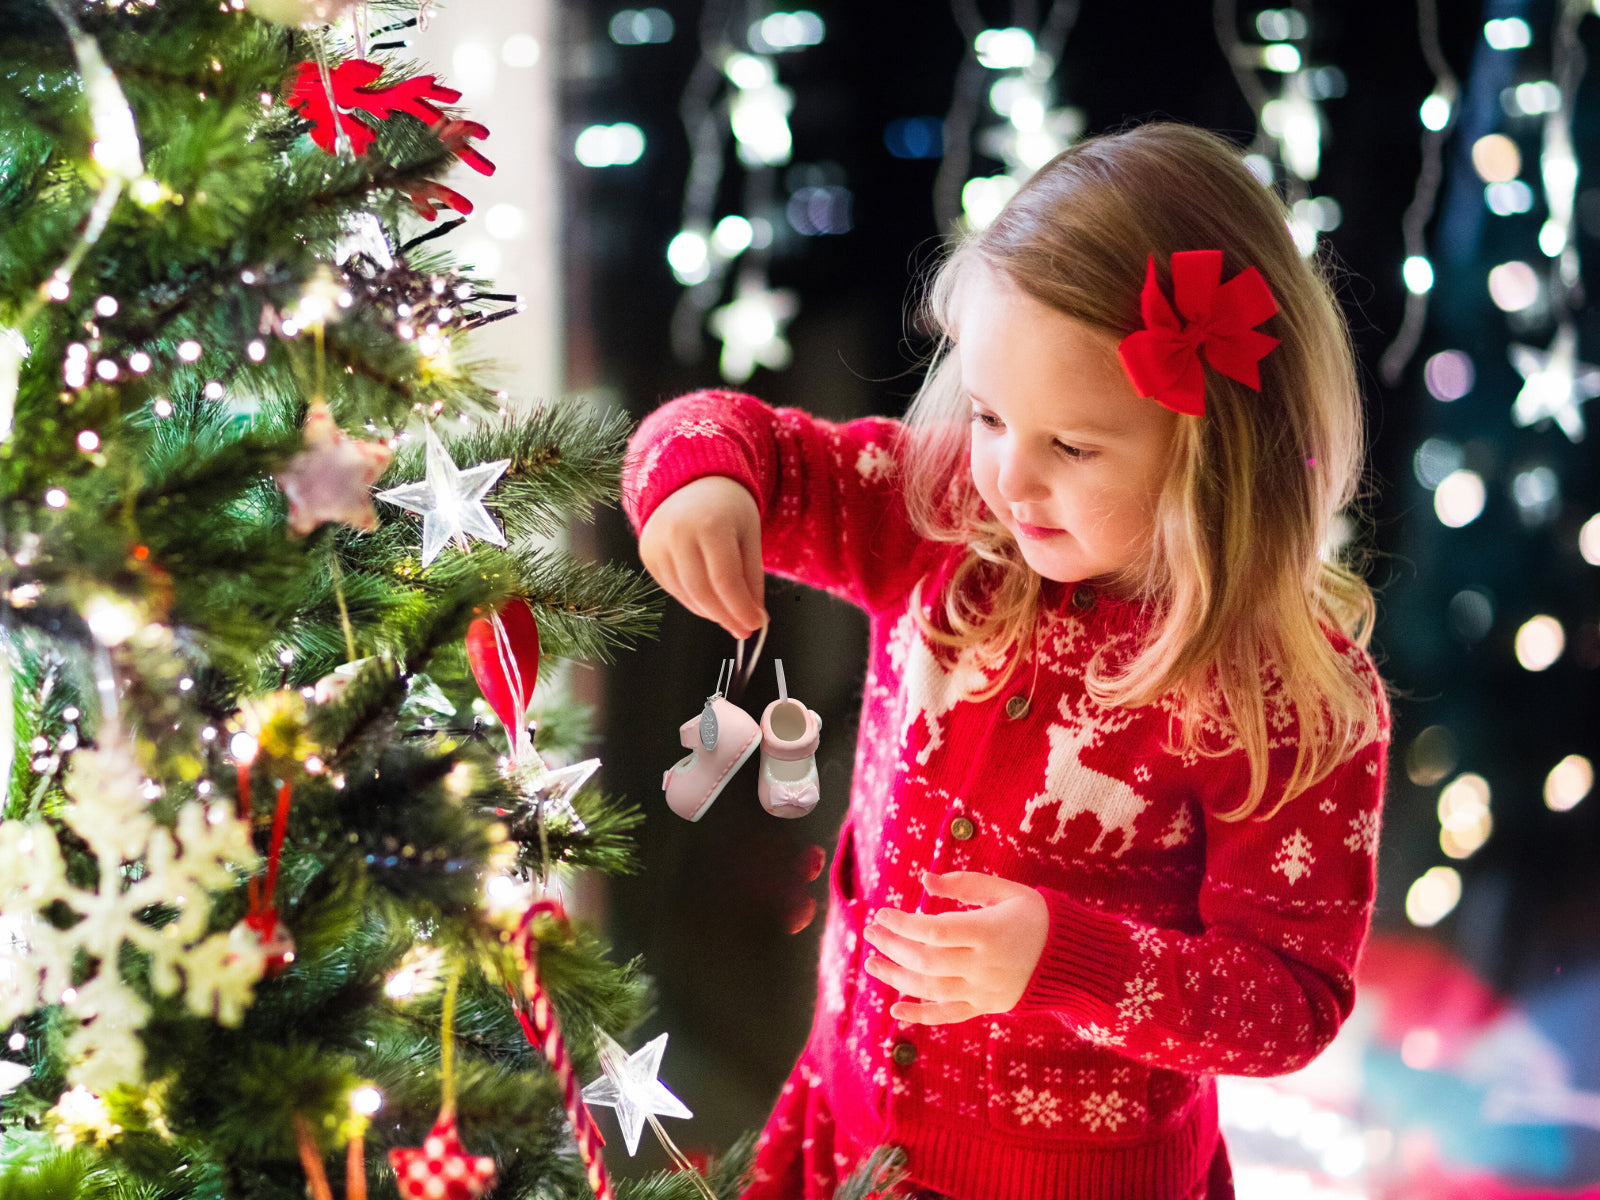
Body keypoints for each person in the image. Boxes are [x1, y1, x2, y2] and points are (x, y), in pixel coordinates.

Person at [621, 122, 1391, 1200]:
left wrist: (1066, 961)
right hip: (847, 1131)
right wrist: (703, 479)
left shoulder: (1284, 699)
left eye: (1070, 447)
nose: (1007, 479)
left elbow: (1291, 1002)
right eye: (986, 416)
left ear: (1214, 446)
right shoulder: (940, 526)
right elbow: (742, 440)